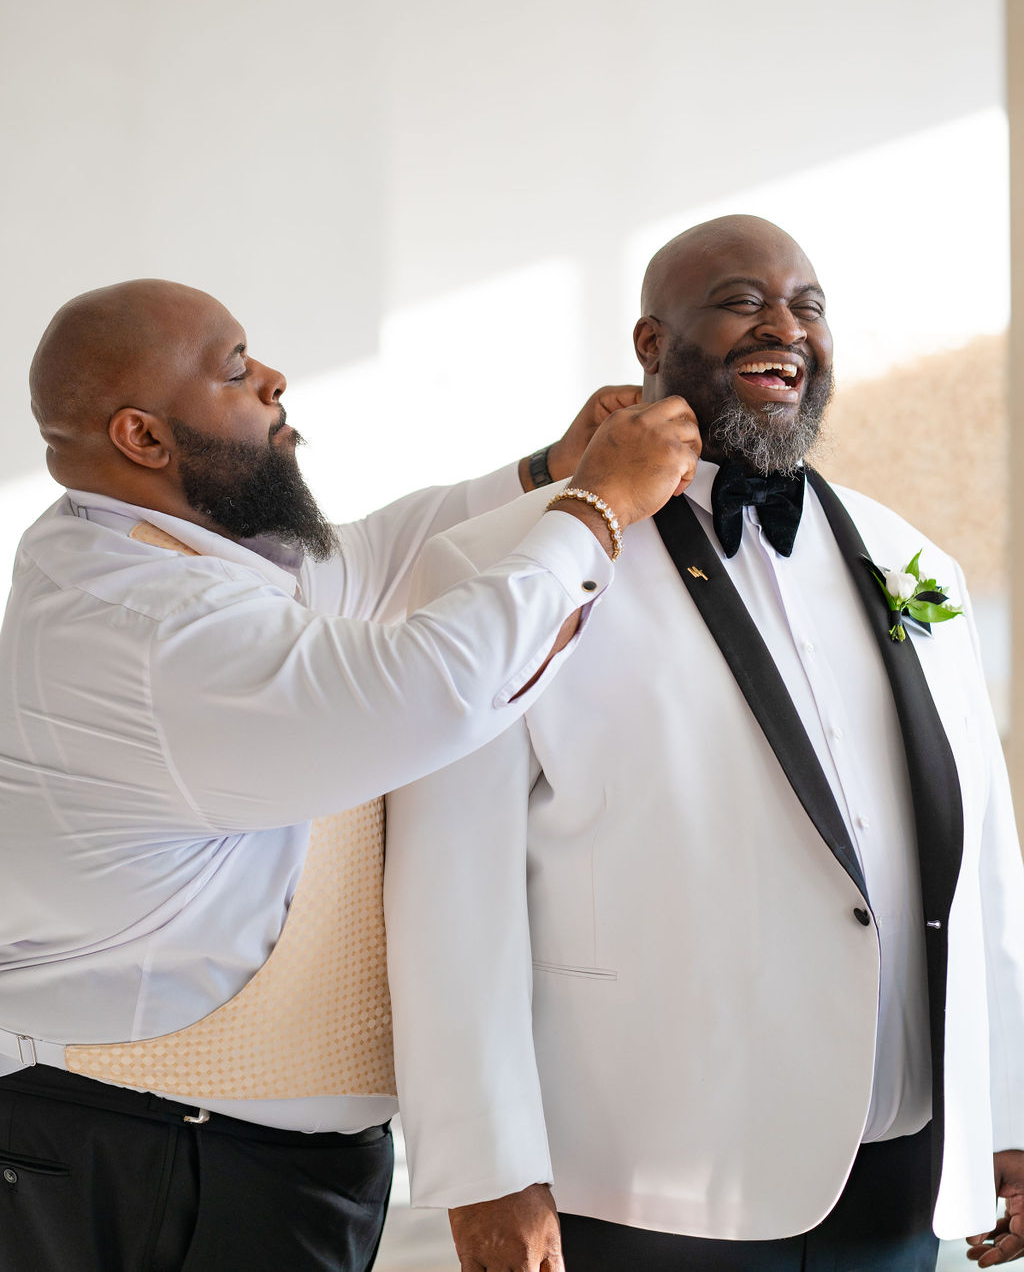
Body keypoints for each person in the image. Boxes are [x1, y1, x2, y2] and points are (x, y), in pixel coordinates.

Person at [0, 278, 701, 1272]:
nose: (274, 381)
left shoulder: (153, 551)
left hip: (204, 1157)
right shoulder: (153, 634)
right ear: (144, 439)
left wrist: (551, 470)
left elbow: (375, 561)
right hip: (152, 1164)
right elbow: (431, 686)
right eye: (237, 368)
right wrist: (599, 505)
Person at [385, 214, 1024, 1272]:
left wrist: (1006, 1106)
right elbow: (449, 897)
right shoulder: (505, 568)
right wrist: (483, 1168)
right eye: (740, 300)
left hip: (898, 1163)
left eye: (807, 306)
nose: (783, 326)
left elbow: (985, 863)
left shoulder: (917, 563)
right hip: (651, 1170)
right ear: (651, 344)